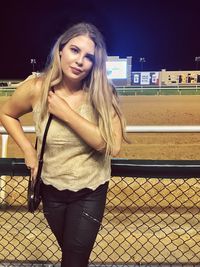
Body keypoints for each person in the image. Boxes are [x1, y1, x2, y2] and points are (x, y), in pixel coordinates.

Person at [0, 22, 128, 267]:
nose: (80, 60)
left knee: (74, 261)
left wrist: (66, 113)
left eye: (89, 56)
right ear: (61, 50)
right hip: (51, 191)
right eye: (74, 50)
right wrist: (28, 150)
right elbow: (6, 113)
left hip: (90, 191)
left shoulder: (102, 93)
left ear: (95, 63)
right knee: (72, 254)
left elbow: (112, 146)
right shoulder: (38, 88)